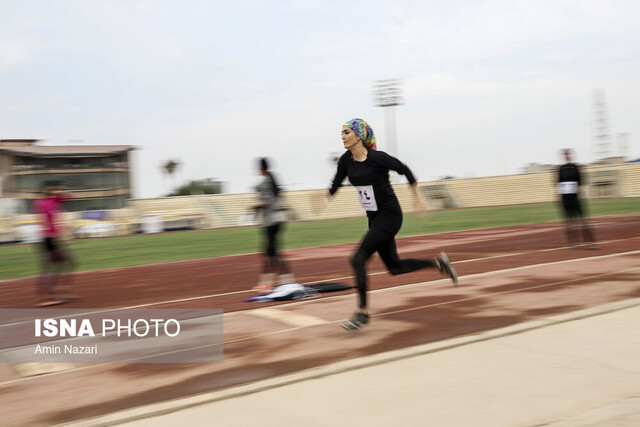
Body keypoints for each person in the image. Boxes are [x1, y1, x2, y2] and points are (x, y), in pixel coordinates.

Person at [327, 118, 458, 331]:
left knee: (357, 258)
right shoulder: (345, 160)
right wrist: (325, 196)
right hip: (373, 218)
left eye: (346, 132)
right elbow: (335, 183)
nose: (342, 136)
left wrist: (417, 200)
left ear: (359, 135)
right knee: (394, 267)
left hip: (390, 215)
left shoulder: (377, 158)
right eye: (341, 132)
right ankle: (438, 264)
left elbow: (405, 170)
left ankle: (362, 313)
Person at [250, 157, 295, 292]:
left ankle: (283, 280)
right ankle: (276, 280)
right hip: (274, 221)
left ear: (261, 168)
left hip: (271, 221)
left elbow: (266, 202)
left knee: (272, 252)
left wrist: (253, 206)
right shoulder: (271, 180)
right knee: (270, 252)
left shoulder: (266, 182)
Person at [32, 180, 79, 307]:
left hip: (53, 238)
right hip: (48, 238)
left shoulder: (53, 200)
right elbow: (46, 219)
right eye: (51, 189)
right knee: (51, 267)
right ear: (44, 190)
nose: (54, 191)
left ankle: (57, 293)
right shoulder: (42, 202)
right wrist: (56, 232)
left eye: (54, 189)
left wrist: (61, 190)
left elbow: (69, 197)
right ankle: (45, 296)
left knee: (67, 263)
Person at [557, 149, 597, 249]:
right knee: (569, 222)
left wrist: (573, 186)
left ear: (571, 155)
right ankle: (573, 243)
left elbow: (582, 181)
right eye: (565, 155)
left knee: (583, 220)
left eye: (568, 154)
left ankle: (590, 243)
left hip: (575, 197)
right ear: (563, 156)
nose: (567, 156)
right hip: (565, 198)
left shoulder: (576, 167)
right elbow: (558, 183)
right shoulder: (561, 169)